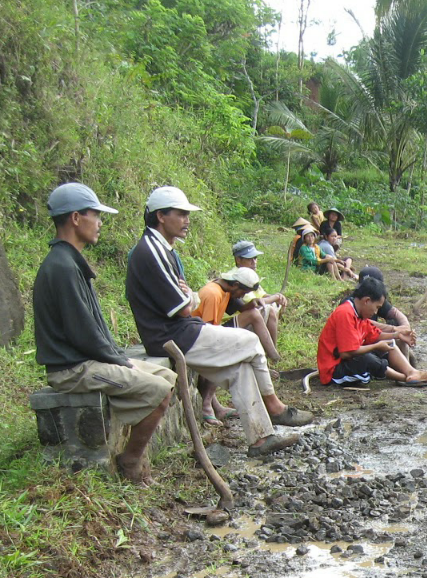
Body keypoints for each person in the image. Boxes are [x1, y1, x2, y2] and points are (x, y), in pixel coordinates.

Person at [126, 185, 312, 458]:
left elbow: (187, 299)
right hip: (170, 335)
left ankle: (261, 439)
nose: (187, 220)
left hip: (179, 330)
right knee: (250, 341)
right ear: (160, 216)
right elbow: (183, 309)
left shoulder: (166, 250)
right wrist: (188, 297)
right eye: (180, 213)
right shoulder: (150, 251)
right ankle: (274, 406)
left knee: (241, 371)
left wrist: (187, 296)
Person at [32, 183, 176, 485]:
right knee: (158, 390)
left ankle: (133, 451)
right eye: (95, 216)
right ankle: (131, 462)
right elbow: (82, 332)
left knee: (168, 378)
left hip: (88, 360)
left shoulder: (68, 261)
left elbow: (89, 328)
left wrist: (119, 358)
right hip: (73, 368)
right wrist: (120, 362)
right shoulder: (61, 267)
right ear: (75, 218)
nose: (99, 223)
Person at [316, 276, 427, 388]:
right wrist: (376, 346)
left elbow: (375, 335)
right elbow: (346, 353)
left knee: (389, 343)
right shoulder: (345, 313)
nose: (376, 313)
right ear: (366, 301)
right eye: (377, 307)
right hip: (333, 371)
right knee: (367, 358)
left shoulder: (359, 314)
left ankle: (411, 372)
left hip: (347, 360)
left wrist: (397, 335)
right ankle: (405, 378)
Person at [192, 266, 268, 424]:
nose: (242, 296)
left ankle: (215, 406)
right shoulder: (213, 293)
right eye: (243, 293)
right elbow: (209, 331)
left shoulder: (225, 290)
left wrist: (252, 303)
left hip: (207, 332)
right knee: (225, 353)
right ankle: (207, 405)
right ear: (235, 285)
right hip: (198, 337)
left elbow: (239, 308)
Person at [232, 240, 287, 363]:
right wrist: (275, 297)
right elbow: (257, 302)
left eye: (255, 258)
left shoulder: (250, 275)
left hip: (249, 322)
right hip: (238, 325)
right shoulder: (237, 278)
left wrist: (277, 297)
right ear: (238, 260)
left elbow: (262, 295)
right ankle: (272, 355)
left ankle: (271, 353)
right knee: (269, 309)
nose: (254, 262)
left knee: (271, 306)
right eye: (249, 258)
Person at [358, 266, 418, 362]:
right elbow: (363, 323)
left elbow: (396, 313)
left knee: (396, 323)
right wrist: (394, 330)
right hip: (361, 343)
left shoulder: (377, 299)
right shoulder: (354, 303)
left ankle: (408, 367)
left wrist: (405, 327)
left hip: (375, 336)